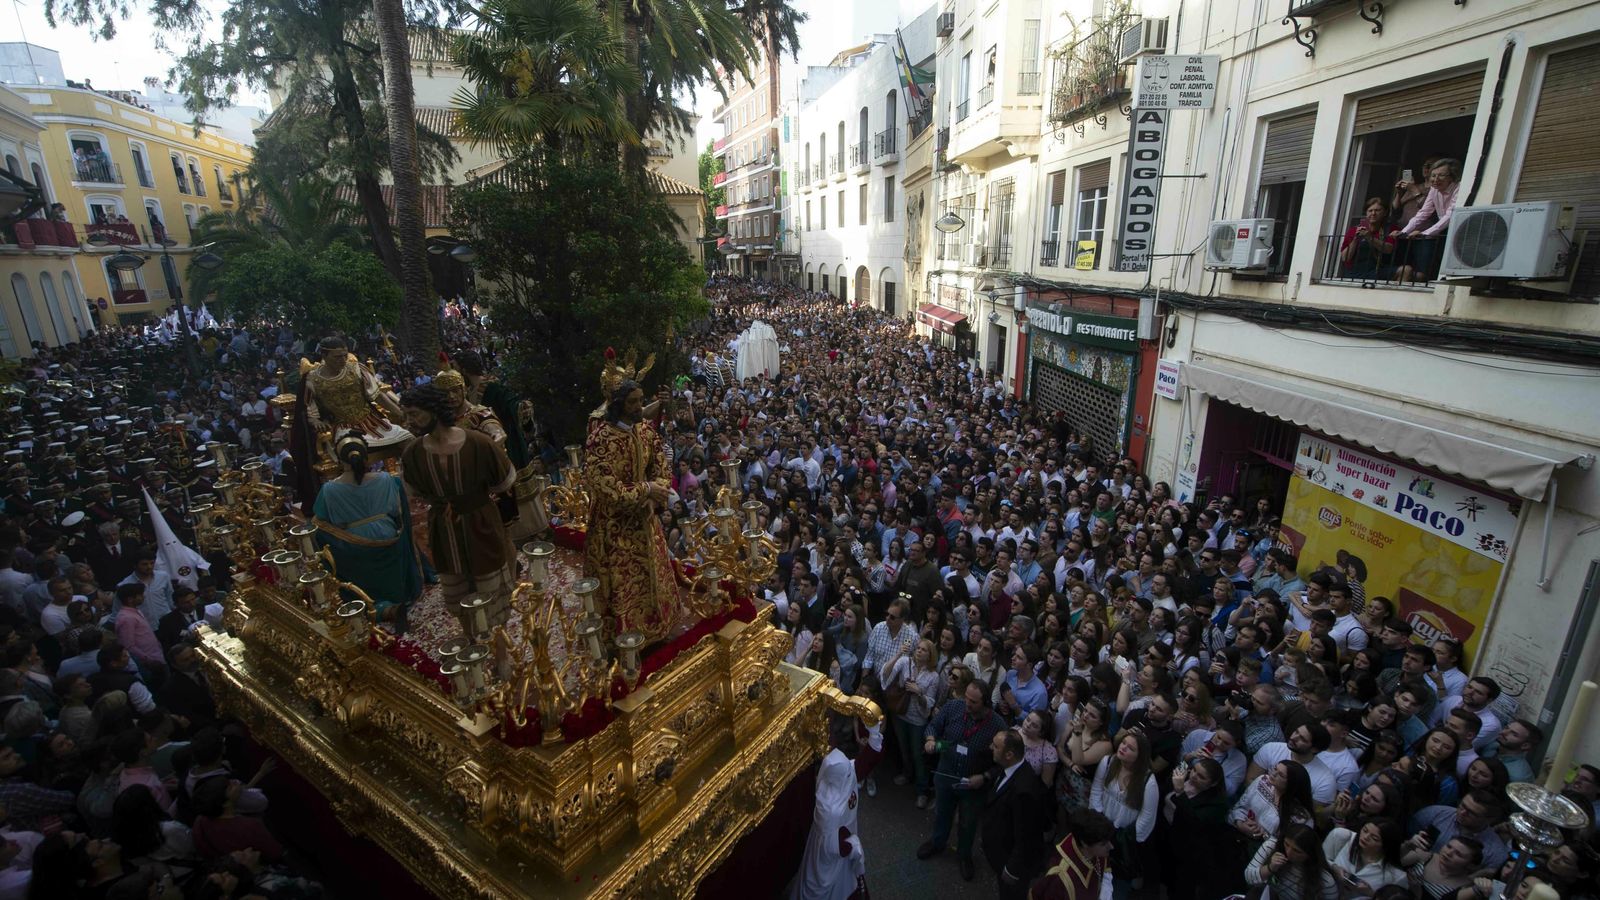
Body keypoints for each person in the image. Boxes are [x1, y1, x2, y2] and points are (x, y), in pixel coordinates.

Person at [400, 383, 517, 640]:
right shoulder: (413, 453)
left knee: (490, 586)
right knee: (457, 587)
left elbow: (504, 481)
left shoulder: (478, 444)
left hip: (481, 523)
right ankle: (470, 639)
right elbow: (414, 490)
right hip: (444, 528)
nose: (409, 422)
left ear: (433, 410)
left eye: (414, 414)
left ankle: (500, 647)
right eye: (406, 415)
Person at [582, 375, 682, 643]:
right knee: (621, 583)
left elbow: (662, 468)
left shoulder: (646, 431)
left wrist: (655, 498)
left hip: (645, 519)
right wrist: (646, 489)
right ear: (619, 405)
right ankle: (622, 636)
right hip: (613, 526)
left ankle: (657, 627)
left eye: (640, 400)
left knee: (653, 575)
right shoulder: (600, 439)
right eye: (633, 402)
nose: (640, 407)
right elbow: (606, 487)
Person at [312, 433, 424, 630]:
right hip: (389, 536)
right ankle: (395, 600)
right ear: (366, 458)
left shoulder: (329, 490)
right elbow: (399, 514)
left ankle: (380, 609)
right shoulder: (387, 480)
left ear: (341, 460)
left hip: (352, 544)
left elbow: (320, 523)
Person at [918, 680, 1006, 882]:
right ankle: (937, 843)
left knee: (968, 822)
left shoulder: (998, 726)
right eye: (966, 698)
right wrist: (930, 739)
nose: (967, 703)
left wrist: (985, 777)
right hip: (946, 774)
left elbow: (1004, 763)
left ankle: (964, 855)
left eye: (973, 702)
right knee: (942, 813)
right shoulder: (953, 707)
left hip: (973, 784)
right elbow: (933, 726)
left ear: (985, 703)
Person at [789, 719, 883, 900]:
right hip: (833, 860)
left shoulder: (845, 775)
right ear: (837, 778)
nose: (851, 770)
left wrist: (874, 733)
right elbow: (830, 844)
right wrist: (852, 846)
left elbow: (865, 763)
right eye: (847, 771)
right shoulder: (828, 807)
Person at [969, 729, 1051, 899]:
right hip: (1000, 848)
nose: (991, 747)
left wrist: (1012, 869)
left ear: (1009, 755)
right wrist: (985, 777)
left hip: (1011, 862)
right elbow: (999, 772)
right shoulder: (1012, 766)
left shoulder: (1024, 791)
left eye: (995, 746)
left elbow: (1026, 836)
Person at [1089, 730, 1159, 900]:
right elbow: (1097, 789)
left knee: (1118, 880)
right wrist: (1098, 820)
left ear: (1140, 756)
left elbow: (1146, 819)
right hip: (1102, 825)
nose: (1123, 748)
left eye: (1131, 748)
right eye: (1123, 743)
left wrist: (1122, 838)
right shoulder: (1108, 762)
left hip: (1124, 837)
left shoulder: (1148, 781)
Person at [1164, 756, 1237, 900]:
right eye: (1194, 770)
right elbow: (1169, 782)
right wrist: (1186, 760)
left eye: (1201, 777)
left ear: (1213, 783)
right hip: (1166, 833)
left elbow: (1193, 822)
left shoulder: (1217, 805)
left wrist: (1180, 792)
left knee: (1178, 888)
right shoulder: (1185, 778)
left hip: (1187, 851)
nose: (1193, 776)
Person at [1394, 158, 1462, 283]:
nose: (1436, 179)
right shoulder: (1434, 189)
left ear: (1451, 177)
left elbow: (1450, 215)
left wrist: (1425, 233)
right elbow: (1423, 212)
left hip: (1458, 230)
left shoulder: (1459, 188)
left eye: (1441, 175)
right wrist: (1404, 231)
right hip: (1443, 229)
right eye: (1433, 175)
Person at [1246, 822, 1340, 900]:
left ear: (1309, 855)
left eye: (1297, 851)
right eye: (1286, 844)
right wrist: (1270, 868)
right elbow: (1249, 877)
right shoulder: (1271, 846)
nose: (1288, 852)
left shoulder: (1325, 881)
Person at [1324, 819, 1409, 898]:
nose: (1365, 837)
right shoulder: (1342, 836)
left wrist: (1370, 893)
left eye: (1374, 838)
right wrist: (1334, 867)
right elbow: (1320, 861)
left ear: (1386, 845)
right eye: (1365, 830)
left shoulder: (1397, 877)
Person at [1338, 198, 1398, 279]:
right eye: (1370, 210)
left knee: (1406, 271)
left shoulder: (1390, 229)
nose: (1373, 213)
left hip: (1378, 270)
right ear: (1366, 213)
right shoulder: (1354, 230)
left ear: (1385, 213)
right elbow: (1345, 258)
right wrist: (1355, 239)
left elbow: (1388, 249)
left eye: (1377, 210)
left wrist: (1369, 237)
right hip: (1355, 273)